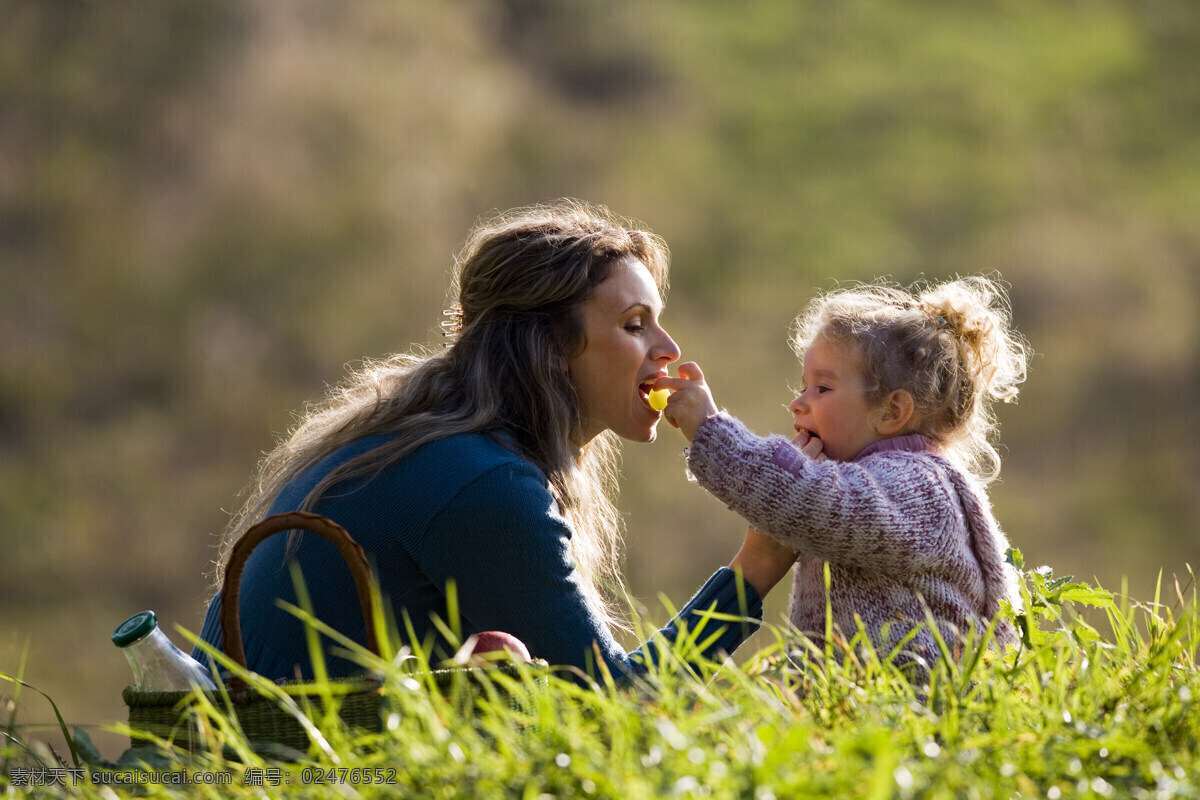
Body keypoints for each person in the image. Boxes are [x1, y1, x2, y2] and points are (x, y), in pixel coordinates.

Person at [193, 199, 797, 684]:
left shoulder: (426, 441)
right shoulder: (483, 484)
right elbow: (620, 707)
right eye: (634, 325)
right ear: (554, 349)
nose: (667, 348)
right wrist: (758, 565)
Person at [654, 275, 1029, 677]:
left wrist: (711, 430)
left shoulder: (921, 485)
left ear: (891, 412)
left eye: (822, 389)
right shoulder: (877, 478)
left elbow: (814, 500)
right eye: (803, 387)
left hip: (914, 714)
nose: (797, 404)